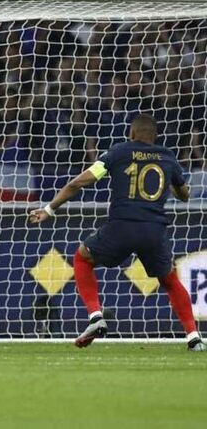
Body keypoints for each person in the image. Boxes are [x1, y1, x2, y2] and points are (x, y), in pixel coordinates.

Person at [29, 114, 204, 351]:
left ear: (132, 134)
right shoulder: (167, 157)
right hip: (153, 230)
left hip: (122, 226)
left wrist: (49, 208)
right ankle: (194, 337)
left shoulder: (119, 152)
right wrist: (168, 182)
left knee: (82, 258)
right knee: (170, 280)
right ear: (155, 136)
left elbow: (79, 183)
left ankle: (95, 316)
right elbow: (184, 195)